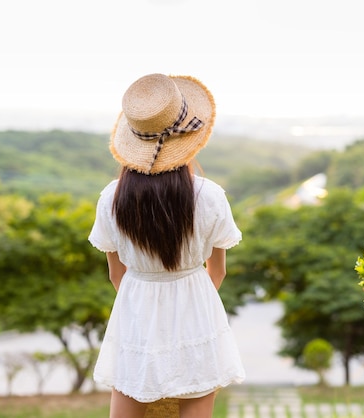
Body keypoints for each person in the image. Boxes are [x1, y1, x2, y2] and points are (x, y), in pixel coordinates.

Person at [88, 73, 245, 418]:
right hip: (196, 311)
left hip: (136, 312)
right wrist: (187, 306)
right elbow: (217, 271)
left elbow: (117, 276)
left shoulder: (111, 199)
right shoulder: (210, 196)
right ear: (191, 141)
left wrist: (148, 310)